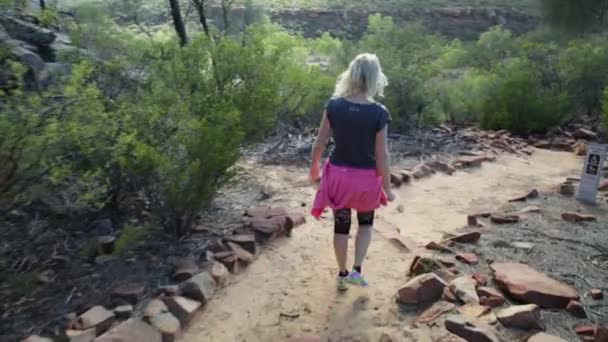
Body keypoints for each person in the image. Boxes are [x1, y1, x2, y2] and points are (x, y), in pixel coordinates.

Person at [309, 53, 395, 291]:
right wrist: (387, 188)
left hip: (338, 176)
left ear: (351, 74)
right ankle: (357, 271)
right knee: (366, 224)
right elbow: (382, 155)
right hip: (366, 180)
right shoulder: (379, 112)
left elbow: (320, 142)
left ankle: (341, 274)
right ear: (375, 78)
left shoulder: (334, 105)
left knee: (341, 226)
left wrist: (314, 168)